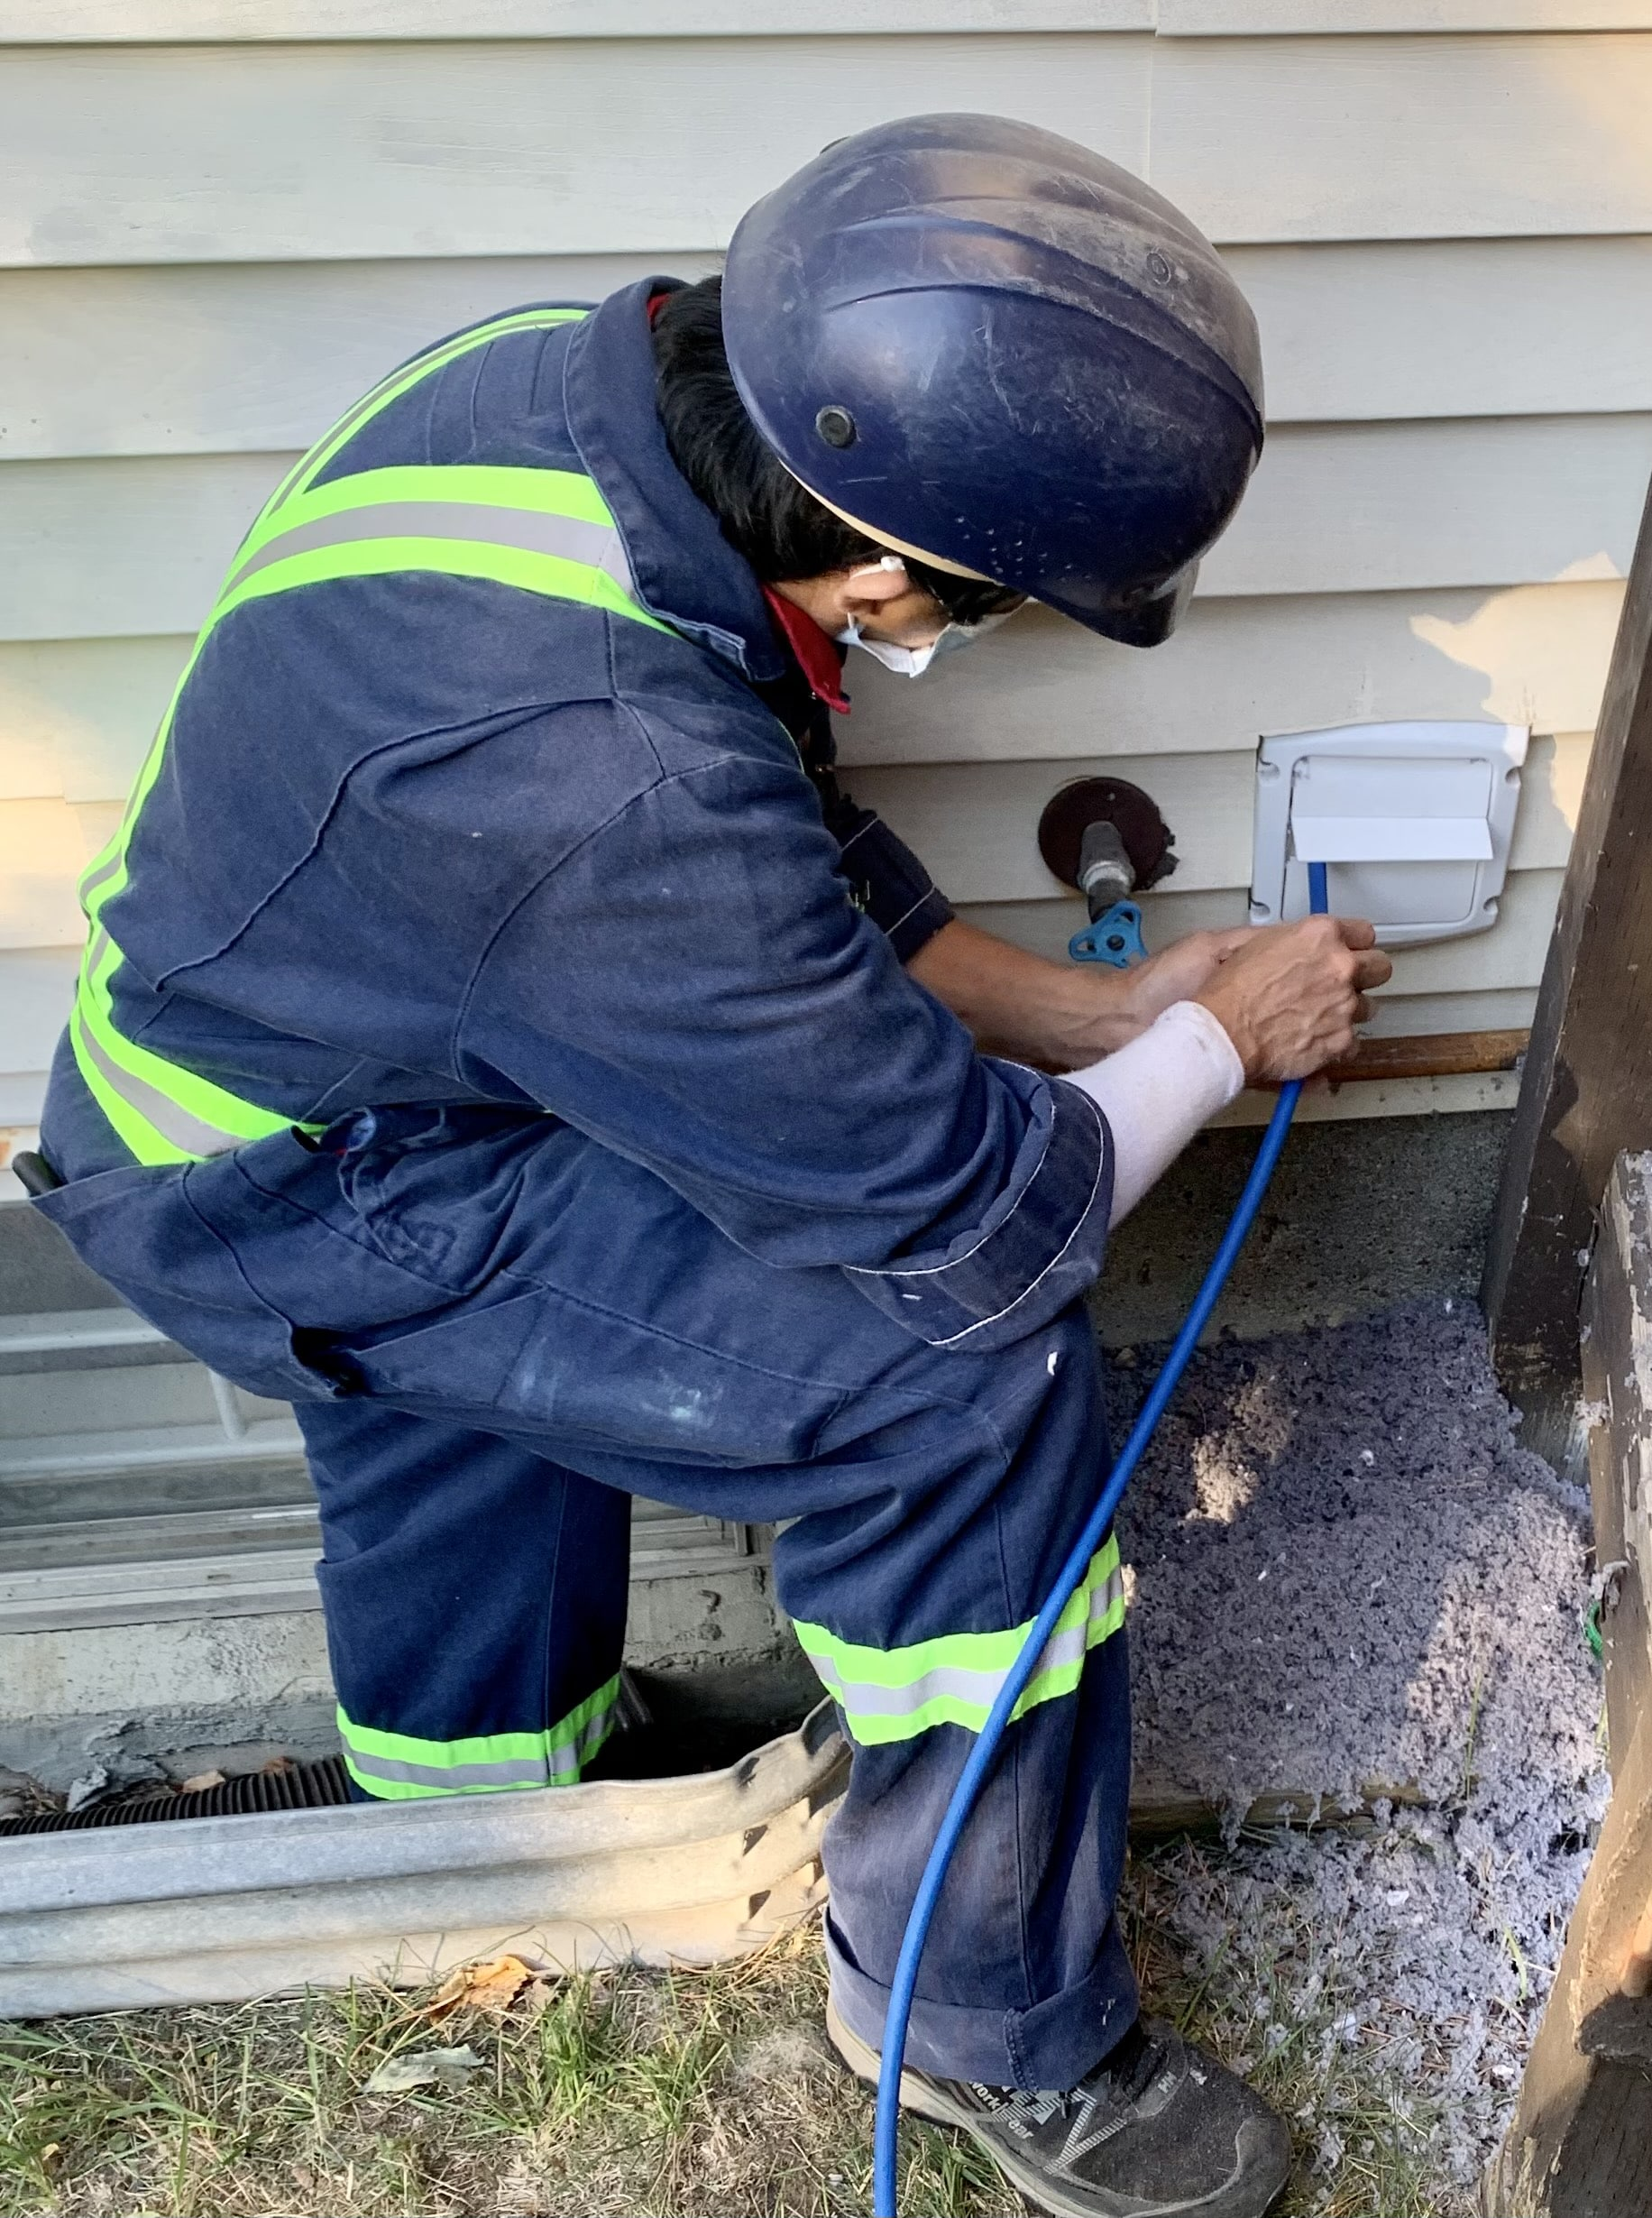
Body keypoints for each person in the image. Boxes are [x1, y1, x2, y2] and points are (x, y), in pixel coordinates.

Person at [27, 114, 1389, 2218]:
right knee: (966, 1395)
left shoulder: (568, 398)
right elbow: (986, 1228)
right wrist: (1222, 1040)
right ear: (881, 577)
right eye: (996, 608)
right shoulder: (612, 792)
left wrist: (1101, 1009)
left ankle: (479, 1825)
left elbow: (770, 824)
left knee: (478, 1410)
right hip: (306, 1186)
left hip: (256, 1064)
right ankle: (980, 2020)